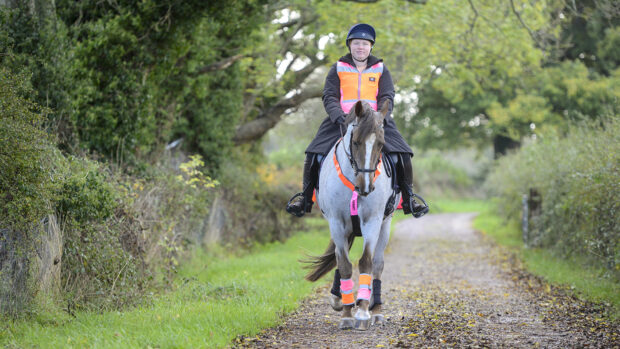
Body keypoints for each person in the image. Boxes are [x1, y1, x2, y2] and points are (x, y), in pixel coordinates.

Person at [286, 23, 428, 218]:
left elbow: (387, 95)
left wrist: (380, 118)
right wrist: (338, 117)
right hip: (341, 120)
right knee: (314, 153)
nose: (360, 47)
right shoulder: (337, 68)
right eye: (356, 43)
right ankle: (305, 197)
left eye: (364, 43)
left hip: (375, 121)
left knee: (402, 153)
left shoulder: (381, 69)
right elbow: (329, 96)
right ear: (349, 45)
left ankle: (409, 198)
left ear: (371, 47)